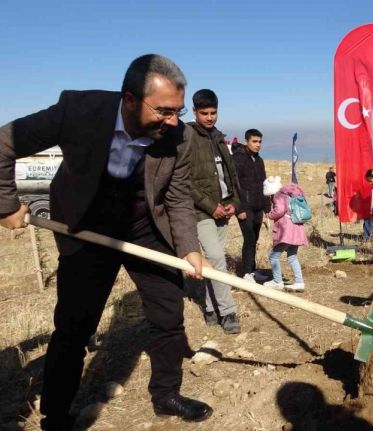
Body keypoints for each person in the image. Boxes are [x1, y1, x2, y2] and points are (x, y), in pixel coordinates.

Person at [0, 54, 214, 429]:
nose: (174, 121)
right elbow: (3, 144)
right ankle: (56, 414)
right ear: (130, 100)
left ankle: (166, 395)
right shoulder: (78, 111)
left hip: (145, 227)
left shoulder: (175, 134)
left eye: (178, 111)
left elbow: (177, 196)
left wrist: (189, 247)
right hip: (85, 228)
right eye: (164, 111)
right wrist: (6, 205)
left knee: (168, 314)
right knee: (74, 326)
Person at [185, 89, 241, 334]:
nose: (209, 117)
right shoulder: (186, 137)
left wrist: (235, 202)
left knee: (212, 263)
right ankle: (228, 312)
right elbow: (183, 180)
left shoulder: (219, 138)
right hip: (201, 212)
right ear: (195, 112)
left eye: (213, 113)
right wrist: (210, 206)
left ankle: (209, 307)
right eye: (204, 113)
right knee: (218, 259)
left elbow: (230, 174)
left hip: (224, 209)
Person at [232, 129, 269, 282]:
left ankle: (252, 271)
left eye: (260, 141)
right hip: (244, 207)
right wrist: (238, 209)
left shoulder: (259, 160)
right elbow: (233, 185)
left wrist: (267, 207)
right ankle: (246, 273)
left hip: (258, 207)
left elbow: (264, 184)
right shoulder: (237, 159)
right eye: (254, 141)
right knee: (249, 238)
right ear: (246, 141)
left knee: (255, 239)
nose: (258, 145)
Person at [262, 176, 308, 291]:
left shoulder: (279, 195)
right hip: (297, 229)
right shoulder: (291, 194)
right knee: (292, 256)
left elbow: (280, 210)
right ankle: (299, 282)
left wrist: (269, 215)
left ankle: (277, 281)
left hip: (286, 232)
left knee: (273, 256)